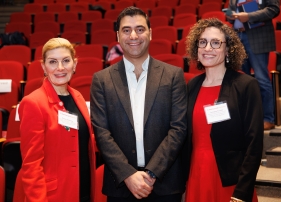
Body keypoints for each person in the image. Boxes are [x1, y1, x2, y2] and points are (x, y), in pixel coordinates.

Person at [90, 6, 187, 202]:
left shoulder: (173, 75)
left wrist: (151, 174)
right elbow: (102, 132)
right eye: (126, 30)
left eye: (140, 29)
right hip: (120, 185)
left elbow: (178, 129)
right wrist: (128, 175)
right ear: (118, 35)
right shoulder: (101, 80)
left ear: (150, 33)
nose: (133, 35)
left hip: (164, 185)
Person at [183, 18, 263, 202]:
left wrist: (242, 192)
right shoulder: (193, 85)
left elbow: (254, 145)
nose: (208, 48)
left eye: (216, 43)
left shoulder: (245, 85)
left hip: (231, 183)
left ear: (228, 50)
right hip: (196, 176)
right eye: (202, 42)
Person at [13, 38, 96, 202]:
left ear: (75, 64)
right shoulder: (33, 103)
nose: (60, 68)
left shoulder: (77, 96)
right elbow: (31, 165)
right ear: (43, 67)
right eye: (53, 62)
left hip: (84, 189)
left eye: (66, 60)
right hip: (54, 195)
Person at [227, 0, 280, 130]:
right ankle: (245, 118)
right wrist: (230, 16)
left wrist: (249, 16)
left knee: (262, 79)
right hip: (238, 36)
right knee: (240, 81)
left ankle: (268, 118)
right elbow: (231, 12)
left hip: (258, 37)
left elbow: (274, 9)